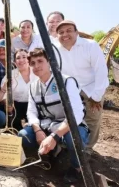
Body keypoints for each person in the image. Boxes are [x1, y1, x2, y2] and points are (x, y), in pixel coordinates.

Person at [18, 48, 89, 183]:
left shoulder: (66, 81)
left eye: (40, 61)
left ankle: (76, 167)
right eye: (33, 63)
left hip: (68, 126)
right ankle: (53, 151)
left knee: (75, 138)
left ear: (49, 62)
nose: (36, 66)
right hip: (47, 125)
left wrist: (54, 136)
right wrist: (37, 130)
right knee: (24, 136)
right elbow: (31, 112)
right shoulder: (33, 87)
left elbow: (76, 114)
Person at [56, 20, 109, 151]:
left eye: (69, 30)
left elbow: (101, 71)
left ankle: (87, 150)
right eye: (61, 32)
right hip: (70, 89)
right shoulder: (55, 49)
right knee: (69, 117)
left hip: (91, 88)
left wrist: (96, 97)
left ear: (76, 32)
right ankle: (67, 146)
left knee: (92, 119)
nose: (65, 34)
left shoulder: (91, 46)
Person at [0, 49, 37, 130]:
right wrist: (7, 103)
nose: (21, 60)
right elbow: (4, 94)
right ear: (15, 62)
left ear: (29, 60)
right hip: (16, 107)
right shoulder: (10, 75)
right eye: (18, 58)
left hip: (34, 105)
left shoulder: (36, 72)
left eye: (24, 57)